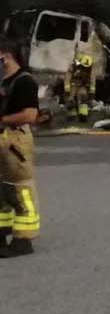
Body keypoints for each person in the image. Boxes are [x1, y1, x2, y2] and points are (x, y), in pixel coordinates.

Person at [0, 41, 42, 258]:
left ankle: (23, 240)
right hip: (3, 137)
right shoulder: (4, 81)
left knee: (21, 189)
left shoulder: (25, 81)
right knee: (2, 189)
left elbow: (30, 115)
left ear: (5, 56)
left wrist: (2, 120)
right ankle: (2, 232)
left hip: (16, 139)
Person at [64, 51, 96, 122]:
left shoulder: (90, 68)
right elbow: (67, 78)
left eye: (87, 67)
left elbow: (92, 79)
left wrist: (92, 92)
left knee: (83, 98)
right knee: (70, 100)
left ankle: (83, 115)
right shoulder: (74, 66)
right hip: (73, 84)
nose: (85, 68)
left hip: (82, 85)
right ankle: (71, 116)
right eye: (84, 66)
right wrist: (67, 89)